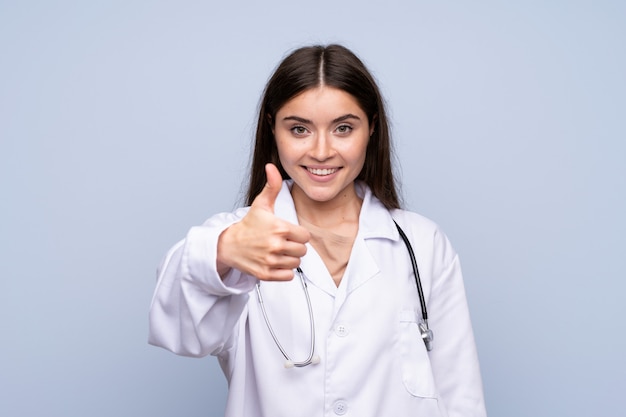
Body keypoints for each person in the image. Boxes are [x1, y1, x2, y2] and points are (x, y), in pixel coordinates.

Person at [149, 44, 487, 417]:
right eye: (299, 129)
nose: (322, 151)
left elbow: (460, 393)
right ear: (272, 129)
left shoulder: (422, 244)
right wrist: (223, 250)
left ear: (371, 127)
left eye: (343, 128)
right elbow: (178, 330)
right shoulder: (241, 238)